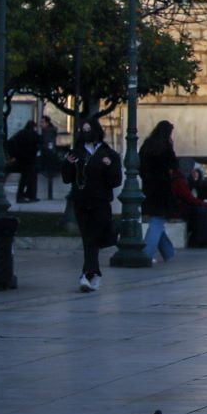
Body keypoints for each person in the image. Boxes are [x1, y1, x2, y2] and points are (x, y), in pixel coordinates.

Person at [63, 119, 121, 292]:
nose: (86, 132)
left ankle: (87, 274)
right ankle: (91, 274)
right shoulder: (76, 153)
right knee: (88, 238)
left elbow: (116, 180)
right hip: (81, 201)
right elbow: (67, 178)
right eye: (83, 129)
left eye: (89, 129)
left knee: (92, 238)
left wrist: (109, 166)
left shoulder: (108, 154)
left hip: (101, 202)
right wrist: (67, 163)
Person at [138, 121, 180, 264]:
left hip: (148, 188)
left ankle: (169, 253)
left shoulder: (147, 144)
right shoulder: (165, 147)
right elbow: (174, 164)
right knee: (157, 222)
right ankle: (146, 254)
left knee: (157, 220)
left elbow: (140, 165)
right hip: (162, 188)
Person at [10, 118, 40, 203]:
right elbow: (40, 142)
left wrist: (14, 155)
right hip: (30, 159)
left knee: (24, 179)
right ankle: (28, 195)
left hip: (21, 159)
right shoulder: (34, 135)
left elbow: (12, 142)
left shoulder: (21, 133)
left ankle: (23, 195)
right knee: (28, 178)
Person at [38, 117, 61, 198]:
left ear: (47, 123)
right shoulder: (48, 131)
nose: (41, 124)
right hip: (49, 154)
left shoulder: (48, 132)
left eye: (42, 122)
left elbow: (49, 144)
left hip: (48, 156)